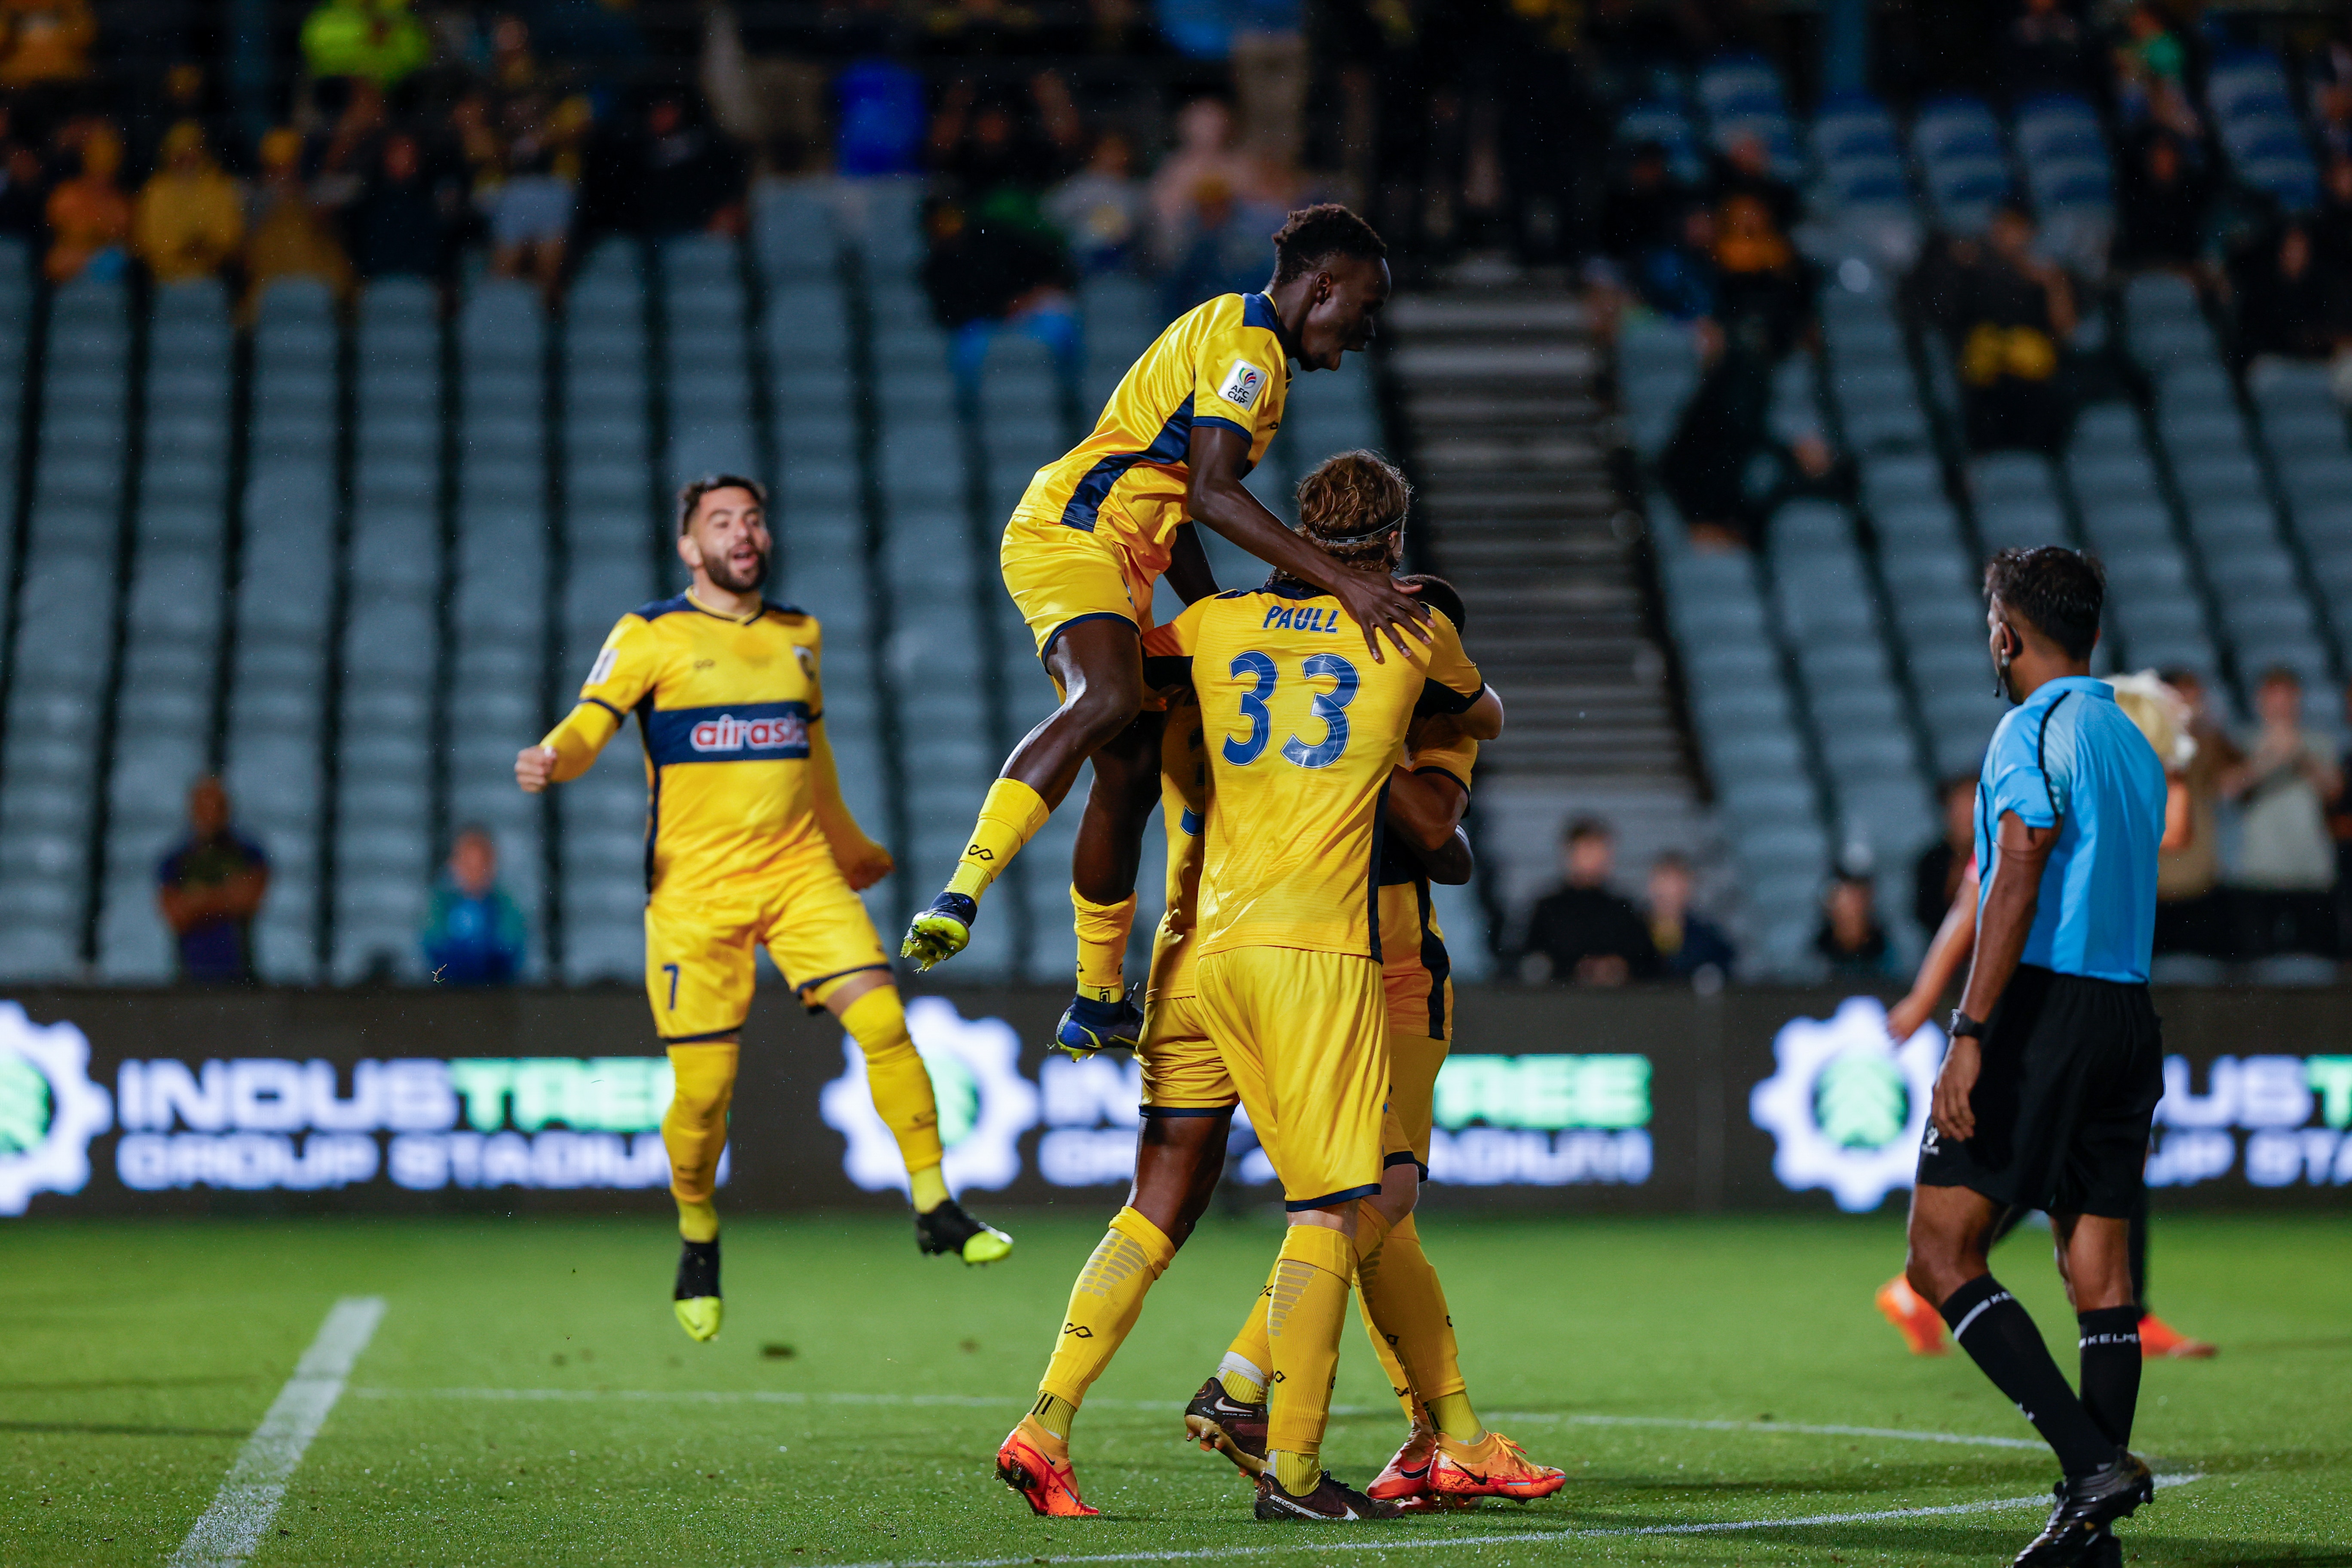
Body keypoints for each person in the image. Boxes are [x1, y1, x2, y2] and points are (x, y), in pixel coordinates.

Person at [996, 571, 1540, 1518]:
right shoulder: (1376, 688)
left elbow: (1446, 840)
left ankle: (1050, 1423)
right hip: (1335, 968)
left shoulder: (1212, 656)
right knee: (1364, 1199)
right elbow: (1436, 828)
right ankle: (1290, 1406)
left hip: (1194, 959)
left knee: (1168, 1209)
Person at [901, 205, 1436, 1061]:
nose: (1367, 331)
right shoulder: (1248, 347)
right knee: (1107, 697)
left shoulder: (1244, 343)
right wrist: (1343, 581)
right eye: (1364, 307)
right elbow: (1213, 497)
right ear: (1323, 287)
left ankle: (1098, 997)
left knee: (1132, 773)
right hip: (1075, 532)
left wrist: (1217, 612)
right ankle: (962, 892)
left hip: (1128, 552)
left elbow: (1181, 510)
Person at [516, 476, 1013, 1345]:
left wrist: (850, 843)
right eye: (721, 522)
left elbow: (812, 754)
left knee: (887, 1022)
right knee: (704, 1098)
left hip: (800, 876)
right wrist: (555, 756)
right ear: (688, 546)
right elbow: (592, 722)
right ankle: (699, 1234)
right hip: (694, 895)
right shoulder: (651, 635)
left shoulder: (799, 634)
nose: (743, 534)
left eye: (752, 519)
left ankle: (934, 1202)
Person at [1903, 546, 2166, 1563]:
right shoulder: (2131, 740)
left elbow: (2017, 861)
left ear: (2006, 633)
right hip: (2125, 1016)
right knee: (2097, 1272)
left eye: (1989, 622)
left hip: (2043, 1012)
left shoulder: (2030, 726)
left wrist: (1968, 1032)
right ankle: (2092, 1535)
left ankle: (2085, 1465)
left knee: (1937, 1253)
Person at [1878, 669, 2213, 1364]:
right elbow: (1972, 905)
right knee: (2030, 1171)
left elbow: (2169, 833)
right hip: (2042, 1010)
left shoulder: (2075, 798)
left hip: (2079, 1007)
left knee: (2073, 1168)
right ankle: (1928, 1286)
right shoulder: (2034, 796)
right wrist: (1925, 1000)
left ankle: (2122, 1317)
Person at [2223, 667, 2343, 960]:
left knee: (2317, 961)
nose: (2281, 707)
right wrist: (2270, 758)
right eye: (2274, 699)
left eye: (2288, 699)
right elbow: (2229, 790)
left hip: (2310, 871)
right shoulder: (2242, 742)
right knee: (2258, 963)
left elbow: (2333, 791)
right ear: (2261, 701)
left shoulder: (2318, 743)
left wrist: (2301, 753)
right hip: (2259, 872)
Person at [2152, 668, 2238, 958]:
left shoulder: (2211, 743)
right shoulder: (2139, 742)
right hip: (2154, 887)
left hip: (2200, 883)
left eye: (2195, 699)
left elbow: (2236, 780)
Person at [156, 777, 270, 984]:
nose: (210, 814)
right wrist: (226, 896)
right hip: (191, 976)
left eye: (217, 806)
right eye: (203, 807)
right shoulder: (176, 859)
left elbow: (248, 900)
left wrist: (197, 900)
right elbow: (176, 914)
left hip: (240, 976)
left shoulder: (247, 853)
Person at [1518, 818, 1657, 984]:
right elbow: (1533, 964)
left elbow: (1649, 964)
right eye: (1588, 849)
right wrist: (1576, 970)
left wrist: (1620, 968)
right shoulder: (1548, 909)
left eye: (1602, 849)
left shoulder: (1623, 909)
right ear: (1570, 854)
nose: (1596, 858)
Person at [132, 121, 243, 285]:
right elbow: (148, 241)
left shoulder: (219, 187)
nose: (186, 159)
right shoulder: (156, 190)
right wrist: (182, 248)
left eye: (192, 151)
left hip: (212, 273)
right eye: (180, 153)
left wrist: (203, 247)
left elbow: (229, 237)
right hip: (164, 275)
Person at [420, 827, 528, 985]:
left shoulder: (506, 904)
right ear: (454, 864)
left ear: (492, 866)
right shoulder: (440, 903)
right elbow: (433, 949)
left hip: (497, 993)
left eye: (480, 866)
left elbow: (512, 951)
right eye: (468, 865)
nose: (474, 874)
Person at [43, 121, 129, 282]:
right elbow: (59, 227)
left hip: (104, 270)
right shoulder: (67, 194)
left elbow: (121, 236)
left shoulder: (121, 201)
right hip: (67, 265)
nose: (102, 178)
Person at [1646, 851, 1734, 982]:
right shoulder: (1632, 932)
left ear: (1688, 888)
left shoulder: (1708, 939)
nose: (1668, 890)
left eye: (1676, 882)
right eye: (1664, 879)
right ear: (1652, 885)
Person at [1913, 775, 1978, 940]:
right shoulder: (1931, 862)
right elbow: (1925, 916)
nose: (1966, 816)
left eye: (1971, 804)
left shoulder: (1998, 859)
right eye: (1959, 807)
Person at [1815, 870, 1899, 979]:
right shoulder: (1818, 953)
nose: (1854, 904)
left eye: (1860, 895)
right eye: (1848, 895)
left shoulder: (1886, 952)